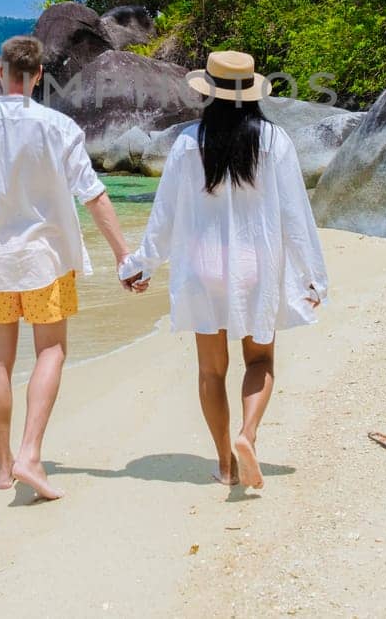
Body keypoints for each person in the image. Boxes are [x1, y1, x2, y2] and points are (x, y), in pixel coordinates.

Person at [0, 35, 131, 501]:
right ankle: (30, 452)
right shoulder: (58, 126)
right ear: (37, 76)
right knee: (50, 352)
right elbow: (93, 195)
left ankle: (1, 468)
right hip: (46, 261)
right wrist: (122, 255)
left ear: (0, 75)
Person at [118, 50, 328, 489]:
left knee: (212, 371)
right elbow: (295, 213)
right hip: (256, 265)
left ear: (208, 93)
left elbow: (165, 215)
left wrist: (142, 265)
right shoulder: (274, 141)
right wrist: (313, 276)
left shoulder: (187, 142)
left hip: (202, 267)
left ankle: (225, 465)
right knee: (261, 359)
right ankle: (247, 435)